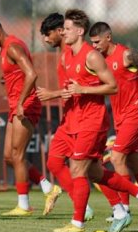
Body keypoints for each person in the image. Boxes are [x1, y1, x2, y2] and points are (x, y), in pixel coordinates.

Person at [52, 9, 138, 232]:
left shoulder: (92, 55)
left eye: (67, 29)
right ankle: (135, 200)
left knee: (78, 168)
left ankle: (77, 223)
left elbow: (112, 86)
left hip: (93, 120)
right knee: (95, 173)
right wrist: (59, 93)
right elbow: (74, 88)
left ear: (79, 31)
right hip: (78, 120)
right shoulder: (67, 55)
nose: (63, 32)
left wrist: (83, 89)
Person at [0, 19, 59, 216]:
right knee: (8, 157)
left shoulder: (12, 46)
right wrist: (9, 78)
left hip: (26, 105)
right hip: (16, 104)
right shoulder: (5, 48)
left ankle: (24, 205)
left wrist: (22, 102)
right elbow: (20, 73)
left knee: (17, 155)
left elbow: (32, 74)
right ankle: (48, 188)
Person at [88, 21, 138, 223]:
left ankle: (123, 210)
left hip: (136, 113)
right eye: (92, 43)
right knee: (132, 160)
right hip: (120, 118)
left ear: (108, 37)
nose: (94, 46)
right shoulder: (101, 61)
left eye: (97, 42)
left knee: (116, 158)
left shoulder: (127, 55)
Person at [36, 13, 95, 220]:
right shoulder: (64, 55)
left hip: (84, 118)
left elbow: (78, 88)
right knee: (54, 163)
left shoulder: (76, 52)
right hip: (70, 117)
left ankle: (123, 205)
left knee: (93, 171)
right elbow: (70, 89)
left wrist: (52, 94)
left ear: (59, 31)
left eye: (47, 34)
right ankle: (122, 205)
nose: (45, 39)